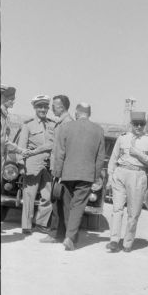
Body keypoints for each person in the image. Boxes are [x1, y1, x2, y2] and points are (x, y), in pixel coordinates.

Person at [51, 103, 105, 250]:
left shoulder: (66, 127)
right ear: (90, 113)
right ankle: (70, 237)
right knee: (78, 206)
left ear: (76, 113)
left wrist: (57, 172)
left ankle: (70, 236)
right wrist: (95, 176)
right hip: (86, 175)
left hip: (67, 174)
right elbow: (100, 157)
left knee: (68, 205)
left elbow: (60, 153)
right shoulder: (98, 130)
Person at [106, 111, 148, 253]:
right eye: (136, 124)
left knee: (133, 212)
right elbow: (113, 158)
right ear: (131, 124)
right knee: (117, 209)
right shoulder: (122, 138)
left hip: (137, 174)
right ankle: (114, 240)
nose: (139, 127)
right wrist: (110, 177)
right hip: (120, 173)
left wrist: (139, 155)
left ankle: (128, 242)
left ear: (145, 125)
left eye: (141, 124)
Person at [17, 95, 56, 234]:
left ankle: (41, 223)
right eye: (40, 106)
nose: (43, 109)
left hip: (48, 164)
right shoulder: (28, 125)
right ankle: (26, 225)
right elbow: (21, 147)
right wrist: (21, 165)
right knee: (29, 195)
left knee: (48, 195)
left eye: (45, 106)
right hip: (32, 163)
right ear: (35, 108)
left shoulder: (53, 124)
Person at [42, 94, 74, 243]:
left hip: (61, 171)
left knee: (58, 202)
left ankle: (57, 235)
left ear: (61, 107)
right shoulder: (62, 122)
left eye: (54, 105)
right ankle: (62, 234)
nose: (51, 108)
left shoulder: (67, 123)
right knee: (59, 202)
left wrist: (59, 171)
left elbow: (65, 150)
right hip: (59, 169)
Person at [0, 85, 23, 173]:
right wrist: (20, 150)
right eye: (11, 99)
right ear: (3, 97)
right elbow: (3, 141)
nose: (13, 102)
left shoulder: (4, 115)